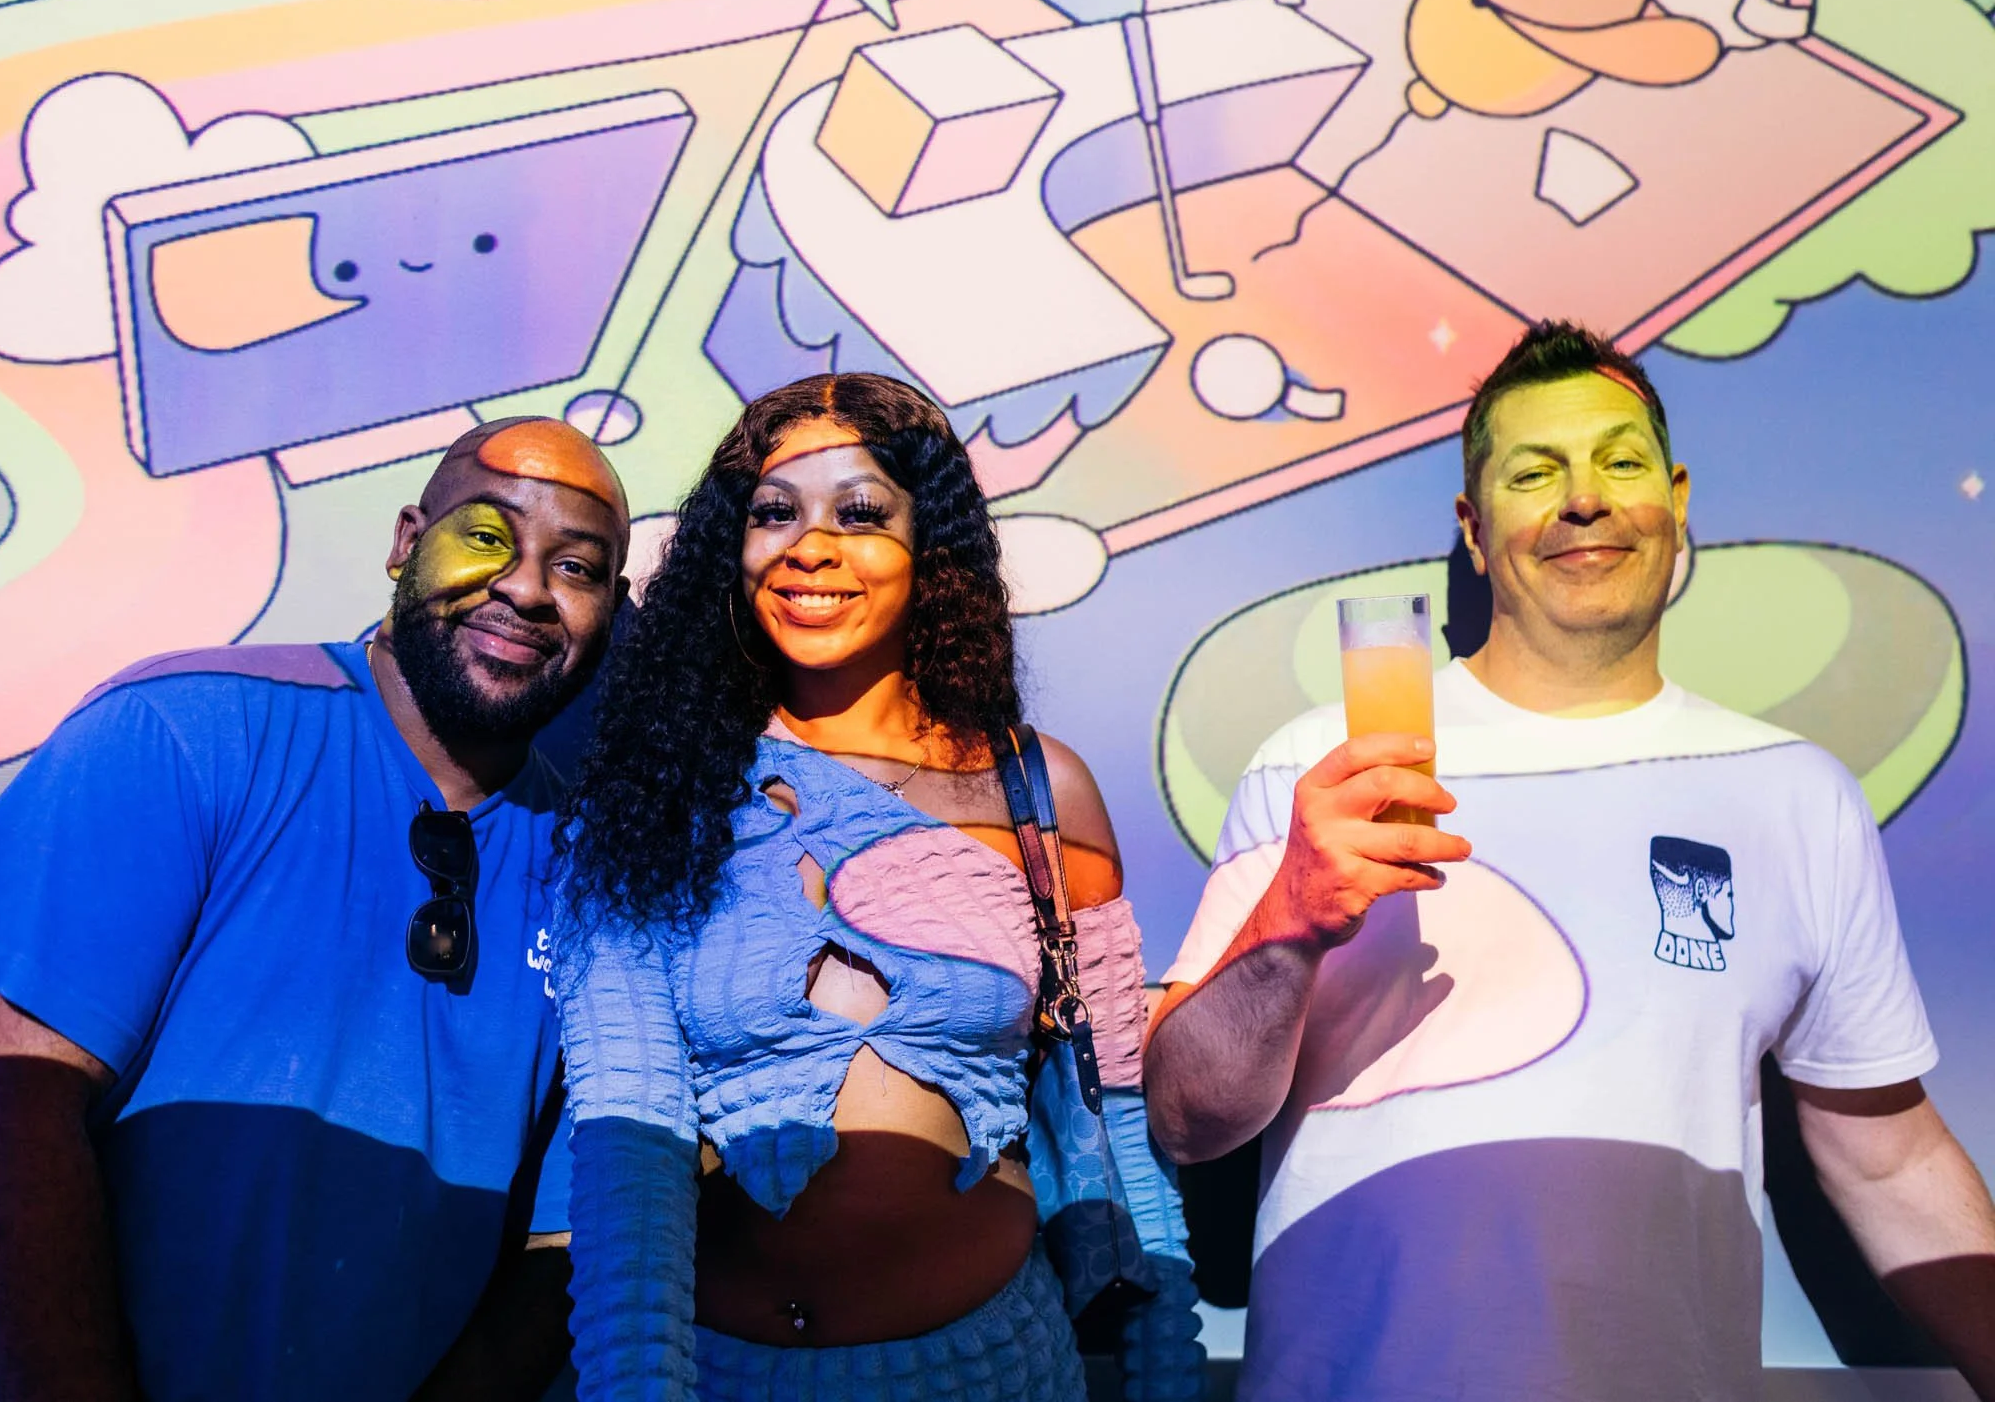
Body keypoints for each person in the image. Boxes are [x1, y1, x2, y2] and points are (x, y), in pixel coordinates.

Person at [1142, 321, 1995, 1400]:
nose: (1585, 499)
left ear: (1676, 498)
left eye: (1620, 461)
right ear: (1475, 523)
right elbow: (1186, 1117)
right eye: (1535, 472)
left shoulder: (1794, 792)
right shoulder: (1322, 765)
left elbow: (1888, 1155)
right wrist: (1288, 929)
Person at [0, 417, 629, 1402]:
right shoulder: (184, 728)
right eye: (486, 536)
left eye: (576, 566)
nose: (525, 587)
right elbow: (1, 1105)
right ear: (405, 539)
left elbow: (562, 1243)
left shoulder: (595, 874)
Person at [549, 372, 1204, 1399]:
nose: (811, 546)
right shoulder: (650, 794)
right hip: (722, 1378)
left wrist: (1167, 1382)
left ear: (929, 548)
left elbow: (1119, 1129)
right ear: (733, 548)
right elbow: (628, 1142)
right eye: (775, 513)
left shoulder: (1038, 789)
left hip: (995, 1373)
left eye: (859, 513)